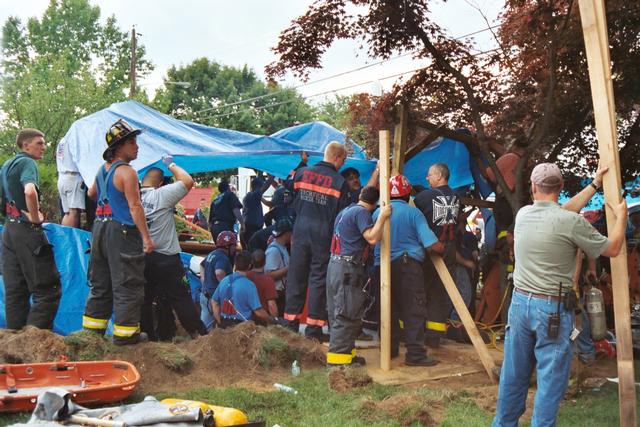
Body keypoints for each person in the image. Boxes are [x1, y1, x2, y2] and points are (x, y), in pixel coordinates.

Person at [493, 163, 627, 426]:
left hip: (520, 305)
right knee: (550, 381)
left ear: (533, 187)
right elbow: (612, 249)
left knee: (513, 377)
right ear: (561, 187)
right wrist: (620, 217)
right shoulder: (570, 222)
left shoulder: (523, 215)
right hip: (551, 310)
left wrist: (594, 184)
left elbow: (558, 212)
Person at [83, 119, 154, 345]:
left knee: (100, 283)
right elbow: (135, 206)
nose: (137, 146)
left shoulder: (101, 170)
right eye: (132, 141)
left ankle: (92, 335)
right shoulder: (127, 172)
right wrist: (146, 237)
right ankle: (125, 335)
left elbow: (92, 193)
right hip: (121, 232)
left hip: (99, 229)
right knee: (127, 283)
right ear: (118, 146)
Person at [373, 175, 444, 366]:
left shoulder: (379, 213)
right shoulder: (414, 214)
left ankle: (389, 350)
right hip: (407, 267)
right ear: (408, 194)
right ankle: (415, 355)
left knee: (388, 309)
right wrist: (443, 247)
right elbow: (431, 244)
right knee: (414, 310)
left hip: (382, 268)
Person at [284, 142, 350, 341]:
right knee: (318, 281)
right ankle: (313, 330)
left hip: (300, 231)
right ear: (337, 157)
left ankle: (289, 327)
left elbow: (287, 189)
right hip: (323, 234)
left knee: (295, 278)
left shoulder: (302, 173)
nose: (342, 164)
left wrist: (301, 162)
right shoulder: (339, 182)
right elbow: (342, 216)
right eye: (343, 160)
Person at [139, 158, 207, 341]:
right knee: (180, 297)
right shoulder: (160, 195)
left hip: (143, 258)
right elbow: (187, 181)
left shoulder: (133, 198)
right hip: (166, 258)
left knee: (145, 300)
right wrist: (171, 164)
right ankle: (198, 335)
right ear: (161, 183)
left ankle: (149, 339)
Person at [1, 128, 61, 330]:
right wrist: (35, 219)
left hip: (9, 230)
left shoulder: (6, 166)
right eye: (39, 143)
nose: (44, 147)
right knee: (47, 290)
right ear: (25, 145)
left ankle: (15, 342)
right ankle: (34, 341)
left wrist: (13, 214)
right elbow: (29, 190)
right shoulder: (28, 162)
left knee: (15, 291)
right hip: (27, 230)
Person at [326, 186, 391, 367]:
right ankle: (338, 362)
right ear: (375, 203)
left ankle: (346, 355)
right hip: (347, 267)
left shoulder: (346, 211)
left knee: (340, 310)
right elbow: (371, 237)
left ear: (361, 196)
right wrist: (383, 216)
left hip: (336, 266)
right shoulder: (362, 213)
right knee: (347, 312)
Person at [414, 163, 460, 347]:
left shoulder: (425, 196)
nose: (427, 178)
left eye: (430, 174)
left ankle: (414, 333)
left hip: (430, 248)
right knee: (440, 292)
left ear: (440, 176)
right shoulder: (456, 197)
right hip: (449, 247)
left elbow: (415, 207)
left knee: (419, 289)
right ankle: (434, 336)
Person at [211, 250, 274, 328]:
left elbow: (214, 301)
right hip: (242, 328)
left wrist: (219, 321)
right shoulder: (249, 285)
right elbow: (258, 312)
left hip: (224, 325)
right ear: (250, 266)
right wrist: (272, 321)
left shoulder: (224, 280)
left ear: (235, 264)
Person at [199, 230, 236, 330]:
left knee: (206, 324)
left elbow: (201, 265)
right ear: (228, 246)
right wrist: (225, 287)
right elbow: (219, 273)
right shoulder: (223, 258)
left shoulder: (212, 254)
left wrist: (203, 279)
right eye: (234, 246)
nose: (235, 248)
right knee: (211, 327)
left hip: (205, 294)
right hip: (213, 297)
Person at [265, 218, 293, 315]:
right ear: (286, 233)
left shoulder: (283, 248)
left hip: (282, 292)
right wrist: (289, 268)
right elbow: (269, 275)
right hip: (277, 293)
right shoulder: (274, 251)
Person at [56, 136, 85, 228]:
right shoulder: (75, 138)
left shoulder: (63, 140)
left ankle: (65, 238)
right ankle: (70, 239)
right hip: (73, 177)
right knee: (74, 212)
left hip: (62, 176)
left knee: (67, 212)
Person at [242, 175, 274, 246]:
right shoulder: (255, 194)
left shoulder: (248, 196)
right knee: (254, 247)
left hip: (249, 226)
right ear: (258, 187)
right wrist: (273, 174)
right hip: (253, 228)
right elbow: (267, 185)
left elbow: (267, 203)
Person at [246, 250, 278, 317]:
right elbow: (271, 305)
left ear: (251, 261)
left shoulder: (245, 276)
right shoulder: (268, 280)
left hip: (246, 318)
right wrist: (275, 321)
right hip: (262, 319)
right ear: (265, 262)